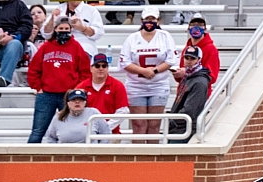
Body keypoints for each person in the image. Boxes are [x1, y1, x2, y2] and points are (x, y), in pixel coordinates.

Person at [27, 16, 91, 143]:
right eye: (61, 28)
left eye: (67, 29)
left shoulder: (76, 47)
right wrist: (38, 87)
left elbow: (85, 71)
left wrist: (77, 90)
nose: (64, 31)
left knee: (70, 129)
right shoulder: (46, 47)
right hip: (46, 95)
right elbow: (33, 69)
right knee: (38, 130)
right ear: (55, 29)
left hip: (68, 96)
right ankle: (28, 155)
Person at [119, 5, 178, 142]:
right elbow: (124, 62)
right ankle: (138, 154)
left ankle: (153, 154)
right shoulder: (132, 38)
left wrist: (155, 70)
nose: (150, 22)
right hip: (136, 86)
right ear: (141, 21)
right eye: (147, 19)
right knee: (138, 125)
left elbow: (171, 59)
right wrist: (142, 71)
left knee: (154, 125)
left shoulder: (165, 36)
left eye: (153, 19)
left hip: (158, 85)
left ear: (158, 20)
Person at [77, 53, 129, 135]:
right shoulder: (81, 87)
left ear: (107, 68)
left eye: (104, 66)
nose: (101, 68)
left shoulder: (118, 86)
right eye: (97, 66)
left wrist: (105, 128)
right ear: (91, 68)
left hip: (111, 133)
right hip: (86, 133)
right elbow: (76, 110)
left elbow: (123, 111)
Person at [167, 45, 209, 143]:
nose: (189, 61)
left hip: (185, 130)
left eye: (192, 58)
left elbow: (190, 109)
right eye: (186, 58)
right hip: (179, 128)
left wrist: (174, 120)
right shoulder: (188, 77)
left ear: (199, 59)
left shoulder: (199, 82)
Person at [173, 12, 219, 96]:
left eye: (200, 25)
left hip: (199, 93)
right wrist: (178, 74)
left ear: (205, 28)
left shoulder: (211, 49)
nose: (196, 27)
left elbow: (211, 76)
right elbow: (181, 78)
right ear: (188, 27)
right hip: (183, 93)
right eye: (193, 24)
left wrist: (187, 72)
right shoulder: (186, 49)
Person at [43, 87, 110, 143]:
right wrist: (56, 152)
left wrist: (99, 151)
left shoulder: (93, 114)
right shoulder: (59, 117)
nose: (77, 102)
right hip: (65, 153)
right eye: (73, 100)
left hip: (89, 153)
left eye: (80, 100)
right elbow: (50, 137)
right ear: (68, 103)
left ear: (85, 102)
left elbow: (106, 133)